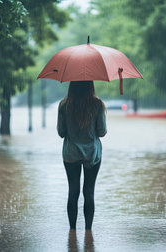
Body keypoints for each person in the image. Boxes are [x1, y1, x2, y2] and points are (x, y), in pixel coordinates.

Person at [57, 80, 107, 230]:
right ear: (90, 85)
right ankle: (88, 232)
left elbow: (61, 132)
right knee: (89, 191)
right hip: (92, 154)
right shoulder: (97, 104)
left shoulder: (64, 105)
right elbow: (102, 132)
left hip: (71, 153)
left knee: (73, 190)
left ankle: (72, 232)